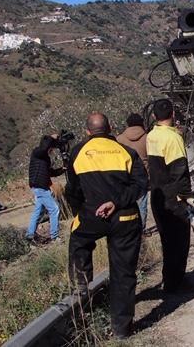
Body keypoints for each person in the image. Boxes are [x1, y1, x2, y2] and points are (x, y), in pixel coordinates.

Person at [65, 112, 147, 339]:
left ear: (88, 132)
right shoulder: (126, 152)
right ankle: (122, 329)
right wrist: (116, 202)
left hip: (92, 216)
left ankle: (81, 281)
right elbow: (141, 184)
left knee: (79, 239)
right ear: (110, 128)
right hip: (125, 218)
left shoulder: (78, 152)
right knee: (123, 273)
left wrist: (85, 210)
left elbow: (72, 190)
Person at [147, 99, 193, 293]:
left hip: (157, 195)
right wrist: (187, 197)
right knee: (180, 239)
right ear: (173, 114)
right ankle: (177, 281)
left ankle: (169, 279)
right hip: (173, 197)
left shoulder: (151, 135)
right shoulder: (173, 139)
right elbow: (179, 171)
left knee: (167, 240)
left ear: (154, 117)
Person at [27, 134, 65, 242]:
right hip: (40, 187)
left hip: (40, 187)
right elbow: (44, 147)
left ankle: (29, 236)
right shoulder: (37, 153)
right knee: (55, 209)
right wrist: (51, 137)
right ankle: (55, 236)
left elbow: (51, 172)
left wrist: (63, 169)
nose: (52, 150)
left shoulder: (45, 158)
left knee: (38, 212)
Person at [117, 113, 149, 230]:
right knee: (142, 204)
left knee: (126, 202)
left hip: (125, 175)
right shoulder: (147, 137)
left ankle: (129, 227)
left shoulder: (119, 139)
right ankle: (142, 229)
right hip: (142, 175)